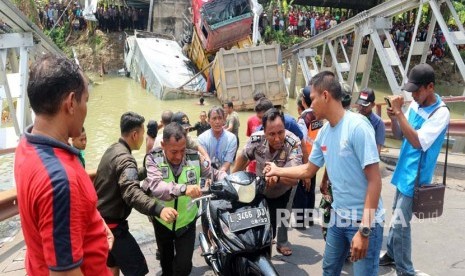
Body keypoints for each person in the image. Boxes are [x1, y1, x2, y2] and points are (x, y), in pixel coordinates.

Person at [264, 71, 383, 275]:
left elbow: (375, 181)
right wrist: (278, 169)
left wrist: (364, 230)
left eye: (313, 100)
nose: (310, 106)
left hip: (362, 221)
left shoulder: (357, 127)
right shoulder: (325, 133)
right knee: (329, 269)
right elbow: (308, 169)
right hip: (338, 217)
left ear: (325, 96)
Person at [14, 54, 112, 275]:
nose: (86, 108)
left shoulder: (27, 144)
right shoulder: (60, 181)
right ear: (70, 103)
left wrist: (97, 225)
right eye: (85, 100)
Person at [379, 63, 450, 276]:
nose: (414, 95)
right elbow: (401, 135)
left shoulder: (440, 113)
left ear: (430, 87)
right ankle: (392, 253)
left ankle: (406, 270)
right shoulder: (415, 105)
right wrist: (394, 116)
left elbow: (418, 142)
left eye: (417, 91)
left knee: (401, 224)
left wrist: (400, 113)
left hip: (417, 176)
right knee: (396, 216)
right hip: (403, 169)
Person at [93, 111, 177, 276]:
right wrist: (159, 209)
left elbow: (122, 177)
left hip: (101, 220)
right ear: (134, 134)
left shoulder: (113, 149)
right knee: (138, 269)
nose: (143, 137)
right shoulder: (126, 159)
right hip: (114, 227)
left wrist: (146, 171)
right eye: (142, 133)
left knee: (112, 265)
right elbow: (131, 192)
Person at [142, 122, 226, 276]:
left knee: (184, 266)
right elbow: (156, 187)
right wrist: (183, 189)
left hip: (187, 222)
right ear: (163, 145)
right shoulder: (153, 158)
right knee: (166, 263)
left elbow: (213, 173)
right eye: (174, 151)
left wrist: (229, 179)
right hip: (162, 222)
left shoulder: (195, 158)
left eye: (182, 150)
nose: (179, 156)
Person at [233, 108, 302, 256]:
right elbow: (243, 156)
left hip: (284, 189)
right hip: (261, 189)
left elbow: (295, 178)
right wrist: (232, 179)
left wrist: (276, 175)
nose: (277, 138)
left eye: (280, 132)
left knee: (282, 217)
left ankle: (280, 243)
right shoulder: (256, 139)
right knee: (260, 227)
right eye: (272, 134)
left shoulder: (293, 143)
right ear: (264, 131)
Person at [293, 86, 324, 228]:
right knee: (310, 190)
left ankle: (300, 222)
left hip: (306, 158)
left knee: (302, 190)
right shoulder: (318, 115)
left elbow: (301, 142)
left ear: (304, 101)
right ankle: (309, 219)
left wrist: (302, 162)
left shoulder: (304, 118)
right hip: (317, 157)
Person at [198, 106, 237, 172]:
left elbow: (227, 162)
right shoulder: (202, 138)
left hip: (224, 177)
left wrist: (218, 175)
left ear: (224, 120)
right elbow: (204, 161)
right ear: (209, 121)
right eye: (214, 118)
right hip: (207, 176)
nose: (217, 122)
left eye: (220, 118)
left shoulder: (232, 138)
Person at [356, 88, 386, 154]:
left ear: (373, 105)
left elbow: (378, 148)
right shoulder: (353, 119)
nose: (361, 108)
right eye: (360, 105)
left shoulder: (378, 123)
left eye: (365, 106)